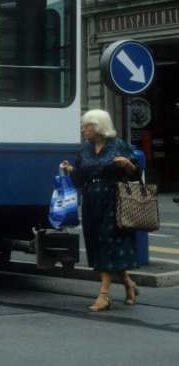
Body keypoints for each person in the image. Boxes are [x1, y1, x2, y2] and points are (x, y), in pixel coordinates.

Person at [59, 109, 140, 311]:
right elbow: (79, 180)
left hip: (114, 199)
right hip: (91, 200)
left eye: (87, 125)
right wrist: (70, 171)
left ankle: (104, 296)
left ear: (99, 126)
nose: (83, 129)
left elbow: (135, 175)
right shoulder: (84, 149)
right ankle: (129, 284)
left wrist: (127, 163)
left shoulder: (118, 145)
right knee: (98, 243)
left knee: (107, 242)